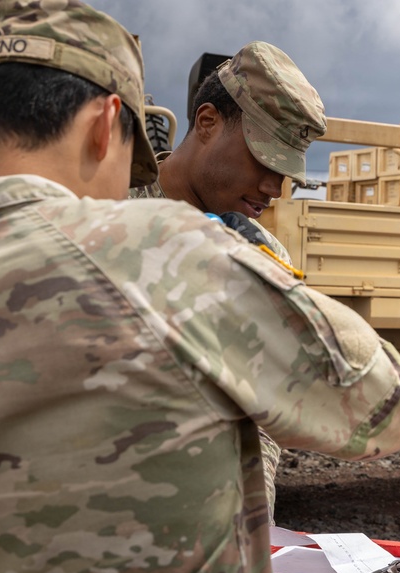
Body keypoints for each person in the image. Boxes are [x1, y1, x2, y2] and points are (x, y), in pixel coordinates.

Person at [0, 2, 400, 573]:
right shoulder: (166, 245)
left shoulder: (248, 247)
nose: (275, 186)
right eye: (264, 158)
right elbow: (382, 399)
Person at [130, 40, 329, 522]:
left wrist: (247, 522)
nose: (272, 188)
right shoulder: (105, 209)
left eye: (284, 173)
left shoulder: (260, 255)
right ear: (206, 123)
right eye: (263, 161)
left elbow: (260, 415)